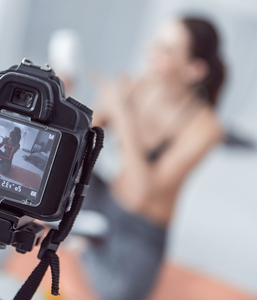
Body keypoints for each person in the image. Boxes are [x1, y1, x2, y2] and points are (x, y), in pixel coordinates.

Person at [61, 16, 226, 300]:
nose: (152, 52)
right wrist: (67, 96)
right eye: (156, 43)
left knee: (121, 293)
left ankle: (83, 239)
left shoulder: (206, 127)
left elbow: (141, 193)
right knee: (50, 174)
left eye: (167, 50)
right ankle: (84, 237)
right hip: (105, 199)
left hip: (141, 229)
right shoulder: (136, 85)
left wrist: (124, 114)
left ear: (194, 70)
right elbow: (79, 143)